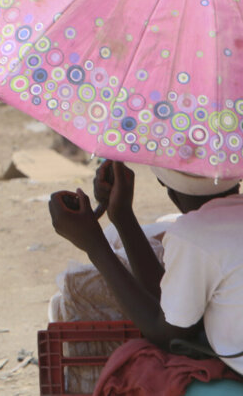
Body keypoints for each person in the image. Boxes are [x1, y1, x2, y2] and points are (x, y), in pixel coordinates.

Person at [49, 161, 243, 394]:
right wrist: (121, 216)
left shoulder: (194, 234)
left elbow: (168, 335)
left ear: (163, 182)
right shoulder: (199, 234)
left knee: (136, 365)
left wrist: (94, 244)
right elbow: (171, 305)